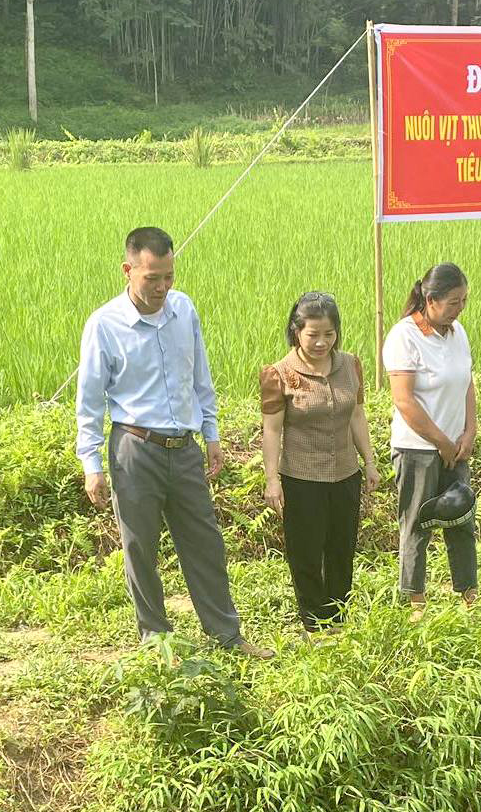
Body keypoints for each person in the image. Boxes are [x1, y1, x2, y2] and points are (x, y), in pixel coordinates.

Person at [75, 225, 271, 656]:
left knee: (205, 543)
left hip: (183, 449)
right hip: (134, 449)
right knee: (140, 548)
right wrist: (92, 464)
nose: (163, 287)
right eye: (152, 278)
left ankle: (227, 635)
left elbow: (199, 376)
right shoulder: (104, 325)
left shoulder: (184, 310)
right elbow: (89, 401)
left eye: (169, 276)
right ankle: (156, 640)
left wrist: (211, 433)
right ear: (128, 270)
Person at [260, 291, 377, 630]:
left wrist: (368, 461)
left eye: (329, 333)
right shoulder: (279, 374)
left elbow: (356, 415)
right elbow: (272, 430)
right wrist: (272, 480)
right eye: (313, 334)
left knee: (342, 547)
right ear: (296, 331)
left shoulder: (350, 365)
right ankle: (314, 621)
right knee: (306, 552)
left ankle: (339, 617)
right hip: (301, 476)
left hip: (345, 473)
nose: (321, 342)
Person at [384, 263, 478, 610]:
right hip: (417, 449)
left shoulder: (458, 332)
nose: (459, 308)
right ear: (430, 299)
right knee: (416, 524)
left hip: (456, 446)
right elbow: (404, 400)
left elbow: (467, 382)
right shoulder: (403, 336)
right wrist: (441, 441)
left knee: (462, 519)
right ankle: (415, 601)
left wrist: (470, 430)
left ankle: (469, 595)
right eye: (453, 302)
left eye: (464, 301)